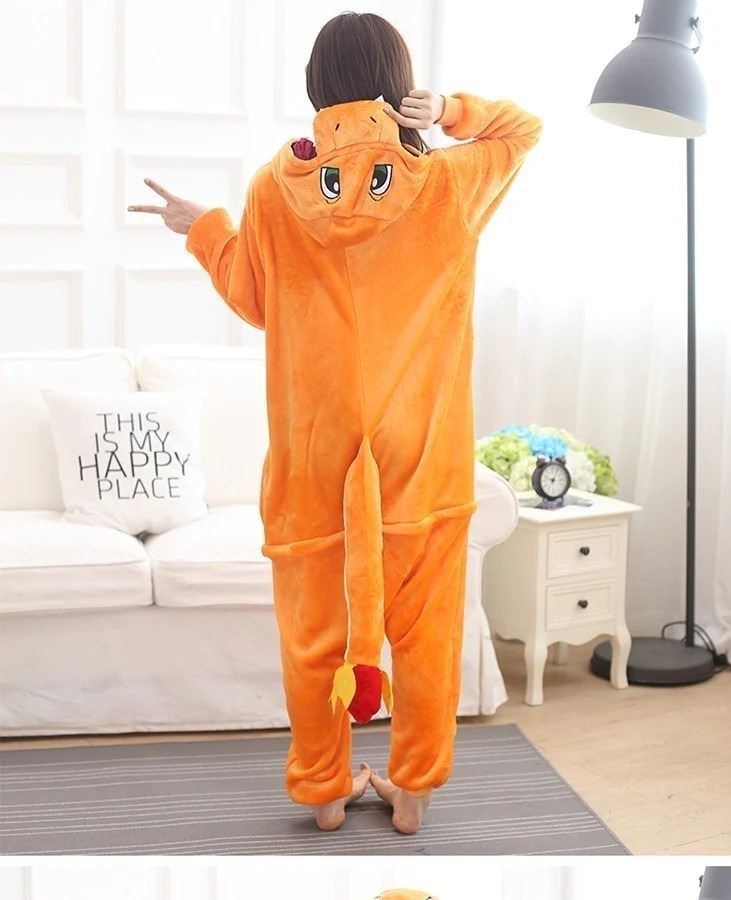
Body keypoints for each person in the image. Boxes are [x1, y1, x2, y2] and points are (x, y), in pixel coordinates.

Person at [129, 11, 541, 835]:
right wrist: (451, 111)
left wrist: (202, 229)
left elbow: (253, 298)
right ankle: (411, 790)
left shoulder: (276, 186)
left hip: (314, 452)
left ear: (316, 85)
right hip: (419, 451)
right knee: (424, 628)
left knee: (314, 631)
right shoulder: (446, 183)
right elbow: (522, 130)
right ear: (399, 81)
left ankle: (323, 789)